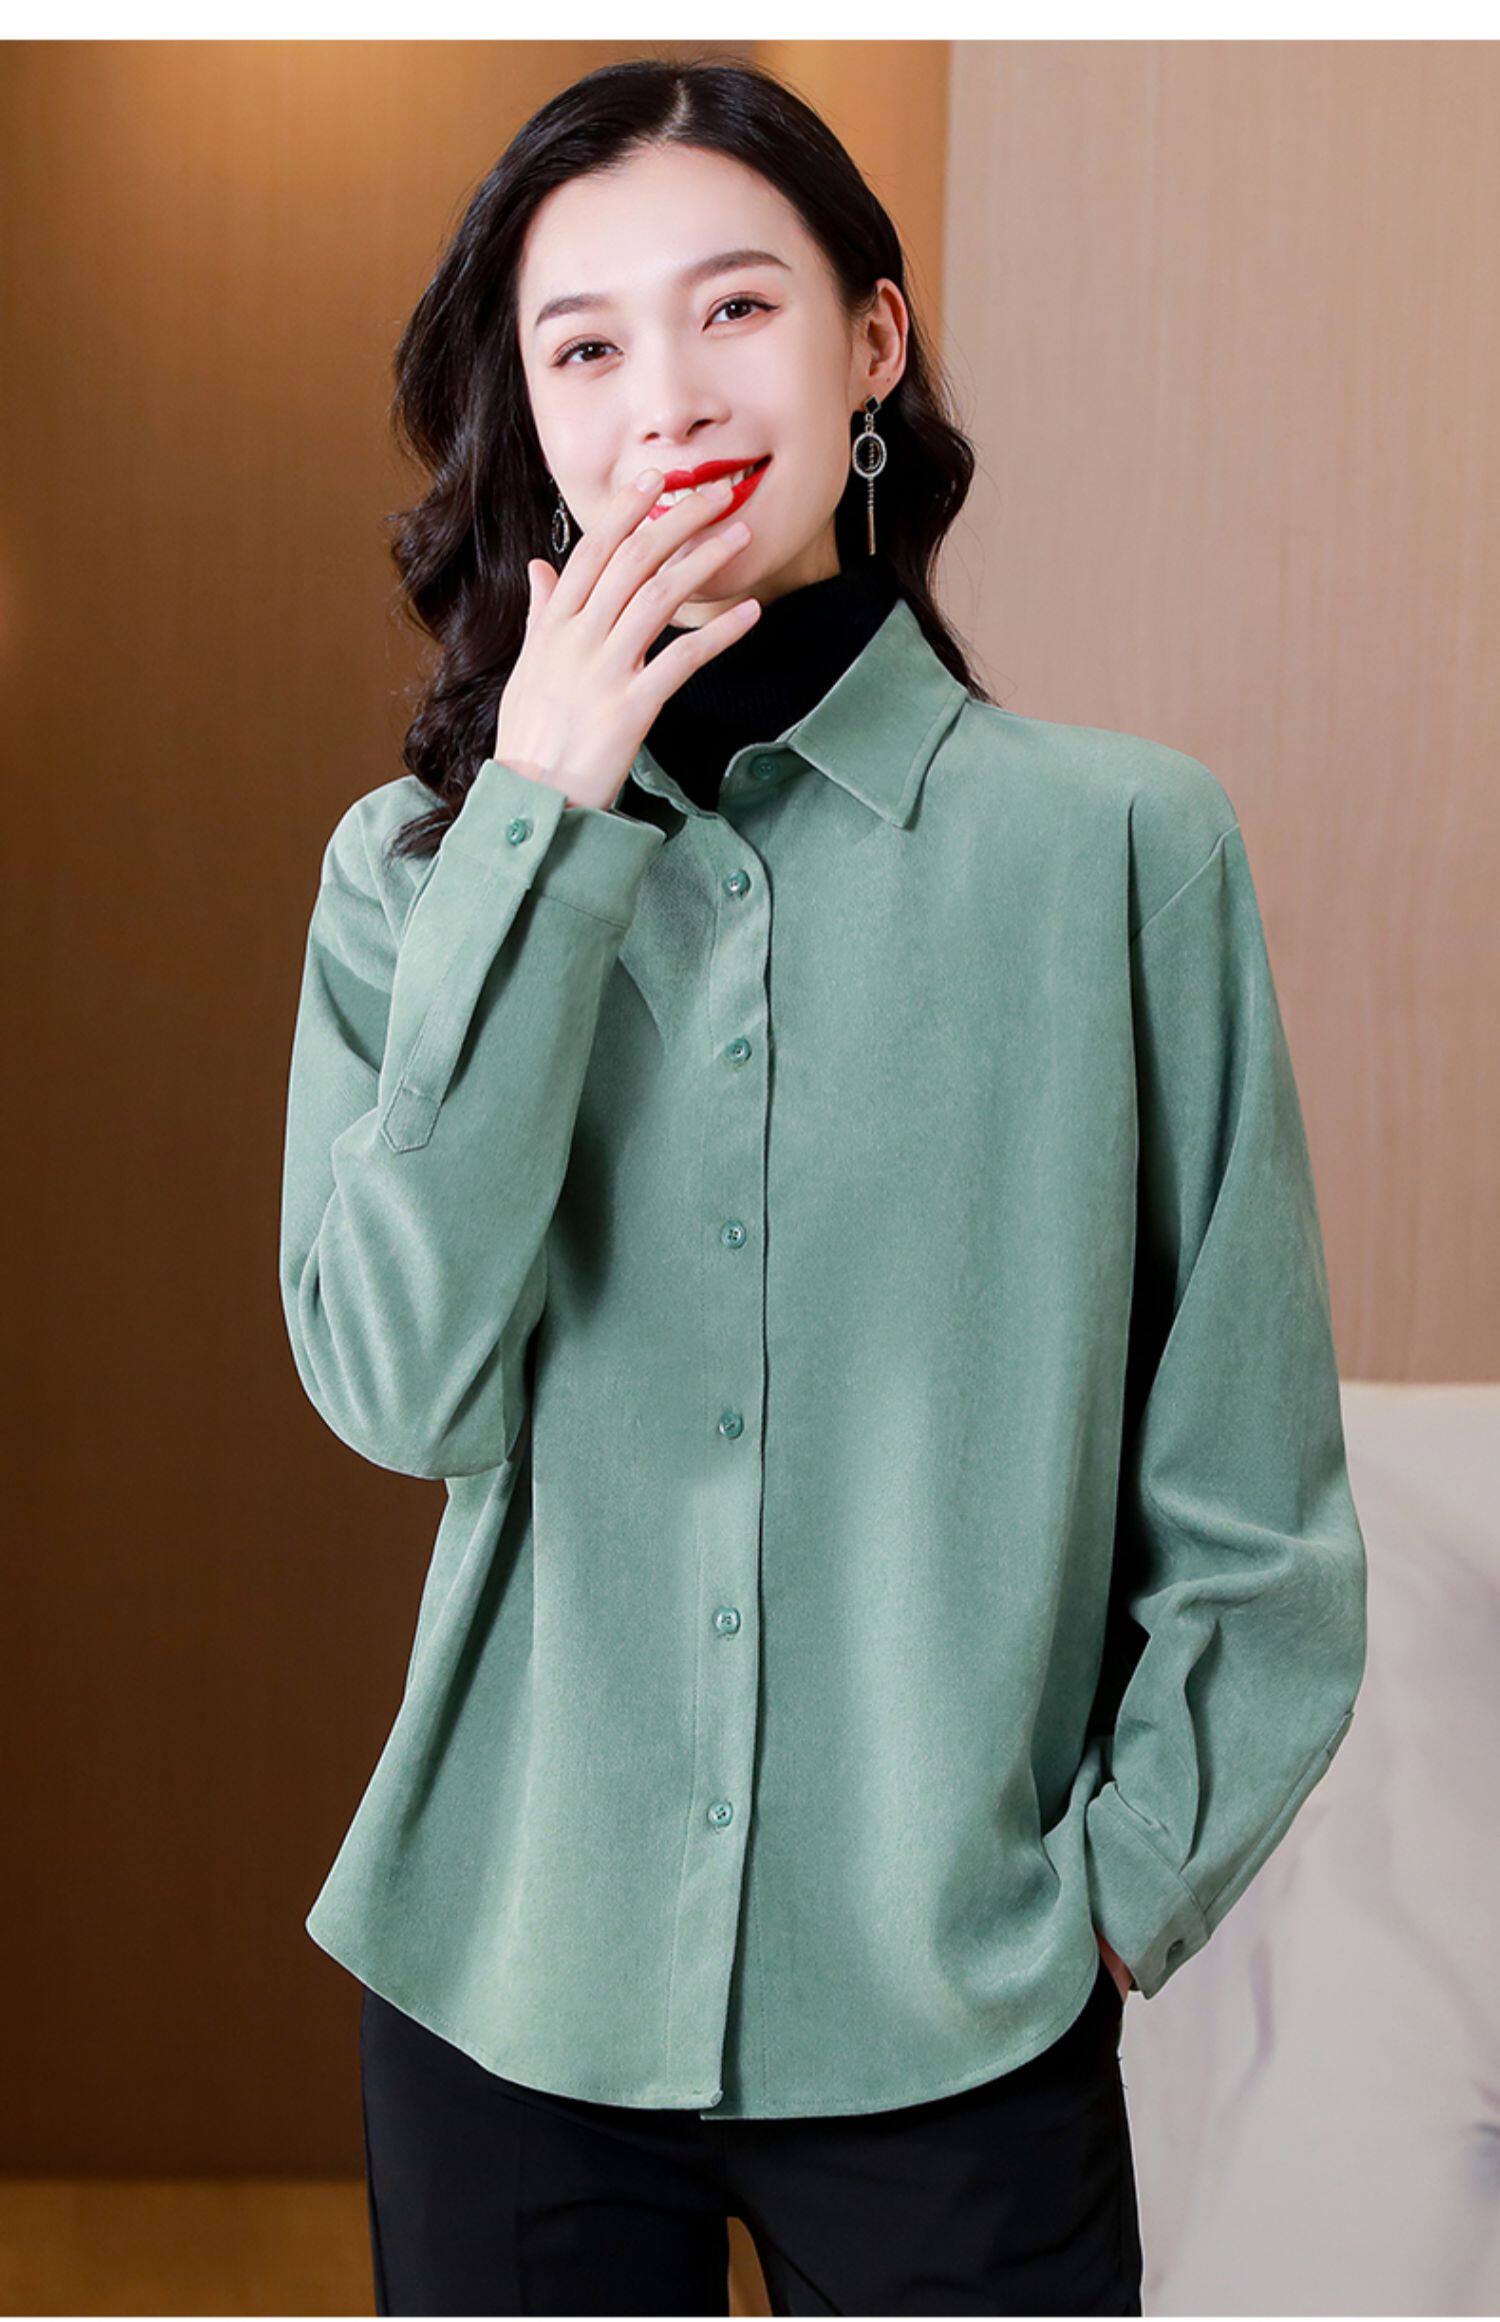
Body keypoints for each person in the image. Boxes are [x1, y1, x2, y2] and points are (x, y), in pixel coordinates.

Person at [277, 55, 1368, 2319]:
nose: (665, 396)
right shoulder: (410, 875)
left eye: (736, 309)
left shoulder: (1122, 852)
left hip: (956, 2019)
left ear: (873, 341)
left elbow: (1255, 1521)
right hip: (502, 1996)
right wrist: (541, 831)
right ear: (530, 414)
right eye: (584, 345)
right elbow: (398, 1387)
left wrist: (1101, 1903)